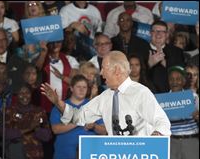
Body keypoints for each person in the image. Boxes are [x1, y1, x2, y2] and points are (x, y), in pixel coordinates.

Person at [41, 51, 171, 136]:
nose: (101, 73)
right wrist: (58, 103)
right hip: (113, 158)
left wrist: (155, 137)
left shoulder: (140, 93)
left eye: (104, 68)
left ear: (117, 70)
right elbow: (78, 117)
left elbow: (162, 122)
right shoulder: (105, 97)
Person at [50, 75, 106, 159]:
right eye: (78, 87)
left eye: (84, 87)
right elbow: (55, 129)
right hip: (64, 156)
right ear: (71, 88)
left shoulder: (94, 106)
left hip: (91, 156)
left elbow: (104, 131)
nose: (82, 90)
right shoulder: (60, 106)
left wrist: (94, 126)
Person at [167, 66, 199, 159]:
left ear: (184, 81)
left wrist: (197, 116)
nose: (174, 82)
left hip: (191, 141)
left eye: (178, 79)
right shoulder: (162, 100)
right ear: (168, 81)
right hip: (172, 142)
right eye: (171, 79)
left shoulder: (193, 97)